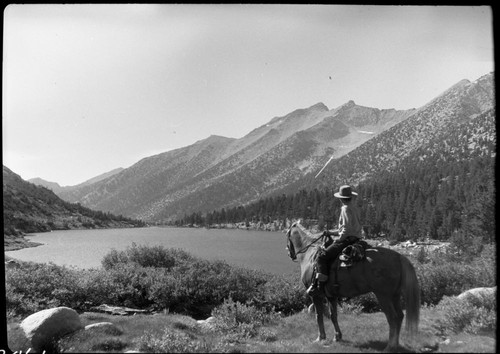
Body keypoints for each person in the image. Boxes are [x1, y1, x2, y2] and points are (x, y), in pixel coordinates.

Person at [306, 185, 362, 296]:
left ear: (341, 198)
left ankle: (320, 288)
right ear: (350, 197)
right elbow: (347, 228)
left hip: (347, 240)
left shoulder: (345, 208)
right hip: (356, 238)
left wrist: (338, 240)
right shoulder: (355, 208)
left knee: (321, 257)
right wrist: (331, 233)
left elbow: (345, 229)